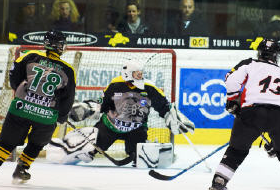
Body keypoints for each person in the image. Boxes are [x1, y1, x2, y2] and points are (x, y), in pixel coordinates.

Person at [205, 39, 280, 190]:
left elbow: (231, 81)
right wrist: (278, 140)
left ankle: (217, 185)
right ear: (277, 55)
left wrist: (233, 100)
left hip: (254, 113)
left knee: (236, 151)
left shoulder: (250, 63)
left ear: (259, 52)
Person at [56, 59, 195, 165]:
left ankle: (136, 153)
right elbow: (102, 104)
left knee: (141, 159)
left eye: (141, 73)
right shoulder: (116, 85)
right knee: (89, 150)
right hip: (109, 126)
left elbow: (164, 107)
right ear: (128, 74)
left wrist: (172, 117)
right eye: (137, 73)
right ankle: (66, 150)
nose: (140, 76)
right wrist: (88, 108)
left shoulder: (149, 88)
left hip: (136, 129)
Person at [0, 30, 76, 184]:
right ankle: (21, 168)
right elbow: (68, 97)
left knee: (7, 141)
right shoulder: (68, 70)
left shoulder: (29, 56)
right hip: (45, 116)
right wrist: (61, 115)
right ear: (60, 46)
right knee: (36, 144)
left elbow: (13, 79)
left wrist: (24, 94)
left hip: (21, 108)